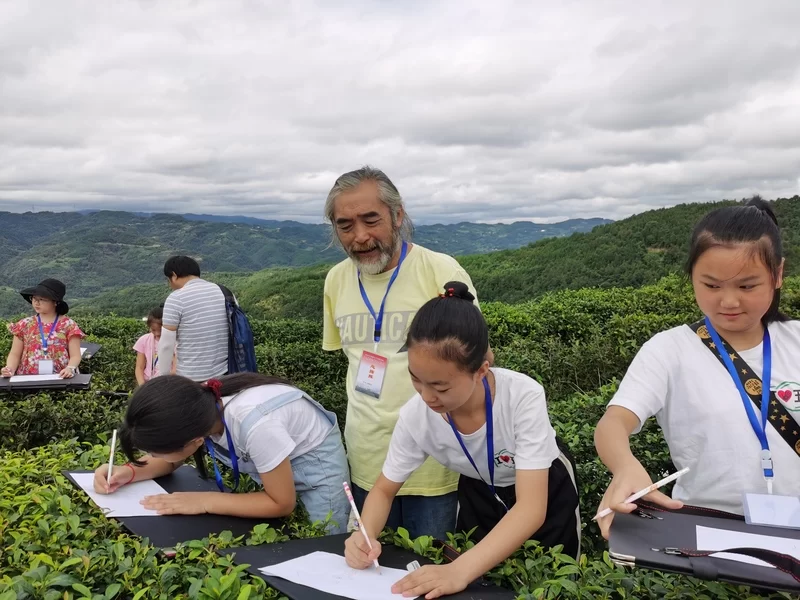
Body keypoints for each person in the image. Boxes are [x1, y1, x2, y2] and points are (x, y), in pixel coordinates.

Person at [344, 282, 580, 599]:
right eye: (416, 379)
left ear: (480, 371)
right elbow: (384, 489)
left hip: (544, 486)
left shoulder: (521, 396)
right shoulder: (416, 416)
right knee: (483, 583)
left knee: (552, 580)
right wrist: (365, 533)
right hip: (478, 486)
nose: (427, 396)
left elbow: (531, 508)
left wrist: (458, 570)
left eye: (440, 387)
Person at [594, 196, 800, 539]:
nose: (729, 301)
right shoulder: (668, 351)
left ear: (777, 274)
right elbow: (614, 422)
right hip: (705, 535)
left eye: (747, 285)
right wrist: (625, 466)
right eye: (711, 285)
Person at [322, 166, 482, 540]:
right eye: (345, 225)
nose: (360, 236)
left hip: (435, 462)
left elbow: (477, 361)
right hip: (366, 459)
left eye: (371, 220)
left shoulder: (439, 270)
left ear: (397, 215)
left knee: (429, 563)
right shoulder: (336, 280)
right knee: (370, 562)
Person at [92, 373, 351, 534]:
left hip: (315, 466)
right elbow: (170, 461)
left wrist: (203, 502)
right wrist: (127, 472)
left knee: (324, 538)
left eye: (155, 452)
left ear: (195, 441)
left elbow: (281, 503)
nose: (151, 457)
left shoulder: (257, 426)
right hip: (276, 455)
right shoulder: (197, 410)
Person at [158, 255, 229, 382]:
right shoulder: (224, 292)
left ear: (174, 275)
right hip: (225, 375)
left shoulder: (176, 298)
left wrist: (163, 377)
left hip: (191, 378)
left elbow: (166, 345)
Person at [2, 278, 84, 378]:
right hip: (27, 379)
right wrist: (10, 369)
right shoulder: (24, 324)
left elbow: (75, 355)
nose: (36, 303)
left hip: (60, 378)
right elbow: (15, 354)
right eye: (34, 298)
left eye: (42, 299)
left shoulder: (68, 325)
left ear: (55, 302)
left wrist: (70, 368)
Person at [133, 306, 174, 385]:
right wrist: (143, 386)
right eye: (153, 330)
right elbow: (139, 367)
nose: (157, 333)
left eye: (160, 330)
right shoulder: (144, 340)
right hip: (148, 382)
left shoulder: (174, 341)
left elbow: (175, 368)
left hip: (168, 383)